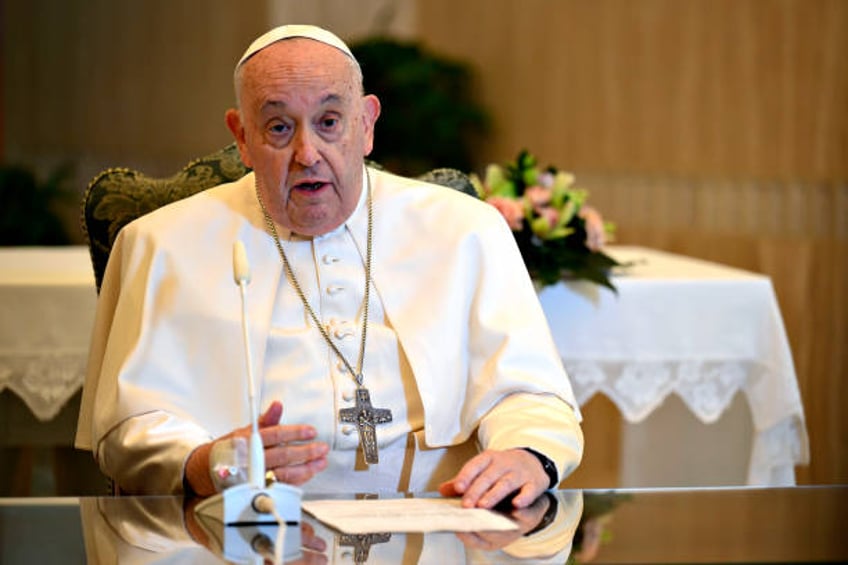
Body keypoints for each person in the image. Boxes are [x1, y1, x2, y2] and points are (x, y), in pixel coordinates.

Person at [75, 24, 583, 510]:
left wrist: (527, 453)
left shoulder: (466, 230)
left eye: (329, 122)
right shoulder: (162, 245)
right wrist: (206, 464)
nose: (307, 153)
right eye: (278, 127)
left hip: (440, 523)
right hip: (251, 534)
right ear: (242, 136)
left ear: (366, 124)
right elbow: (128, 429)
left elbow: (530, 394)